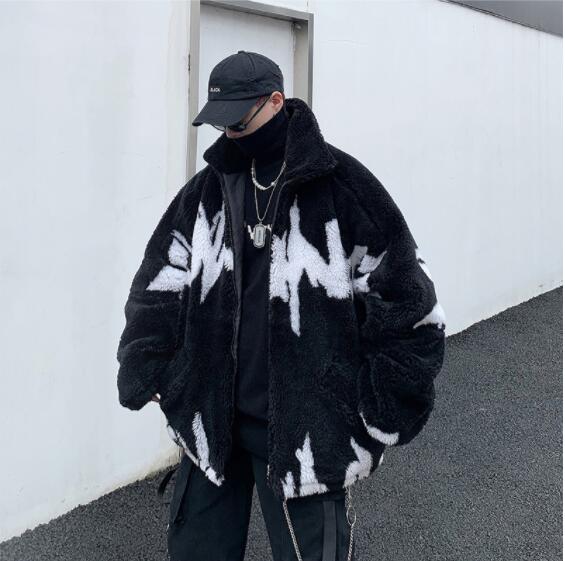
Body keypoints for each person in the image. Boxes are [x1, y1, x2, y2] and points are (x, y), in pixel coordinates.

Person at [117, 50, 447, 561]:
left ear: (276, 101)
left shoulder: (342, 188)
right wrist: (154, 369)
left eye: (239, 121)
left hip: (307, 434)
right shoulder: (205, 193)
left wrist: (376, 408)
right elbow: (158, 283)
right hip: (212, 424)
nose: (230, 135)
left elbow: (408, 304)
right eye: (221, 124)